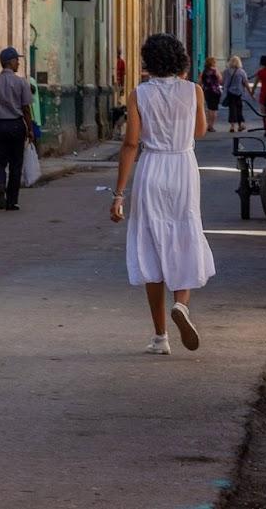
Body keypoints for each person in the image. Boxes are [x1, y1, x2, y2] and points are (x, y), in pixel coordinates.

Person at [111, 33, 214, 355]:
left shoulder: (139, 94)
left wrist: (118, 194)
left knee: (151, 247)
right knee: (185, 235)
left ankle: (160, 337)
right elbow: (200, 131)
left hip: (152, 168)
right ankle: (181, 304)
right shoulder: (193, 90)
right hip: (183, 167)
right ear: (179, 61)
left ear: (149, 62)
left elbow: (131, 144)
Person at [0, 47, 35, 211]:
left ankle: (0, 185)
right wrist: (30, 129)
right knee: (16, 164)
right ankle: (12, 201)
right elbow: (26, 109)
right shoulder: (21, 83)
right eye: (17, 60)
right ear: (10, 62)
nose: (18, 63)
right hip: (17, 126)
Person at [222, 56, 250, 129]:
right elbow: (245, 82)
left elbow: (223, 81)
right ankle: (240, 125)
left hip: (230, 92)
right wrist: (251, 93)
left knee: (232, 109)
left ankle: (232, 126)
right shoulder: (241, 71)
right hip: (239, 92)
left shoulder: (226, 71)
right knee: (239, 108)